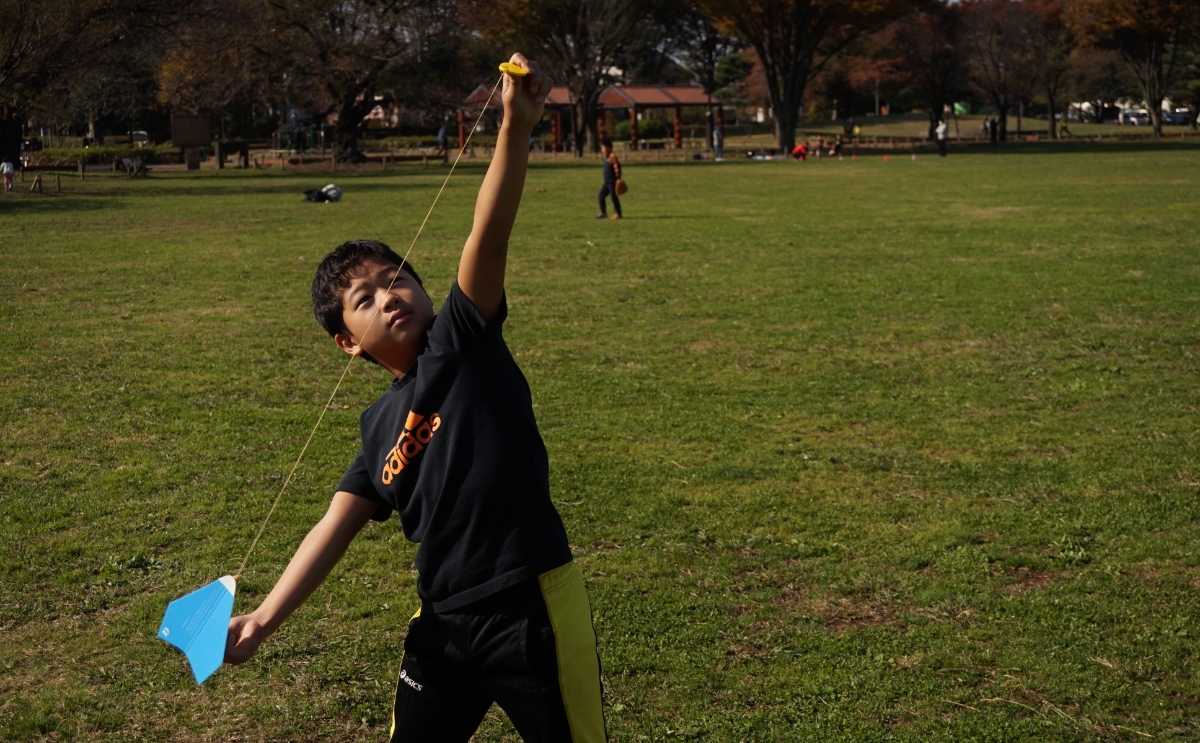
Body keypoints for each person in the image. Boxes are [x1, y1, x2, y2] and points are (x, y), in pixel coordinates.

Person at [224, 54, 606, 743]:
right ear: (348, 343)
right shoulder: (376, 429)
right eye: (363, 299)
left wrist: (514, 130)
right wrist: (262, 617)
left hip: (532, 610)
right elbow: (331, 529)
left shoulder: (463, 337)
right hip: (444, 630)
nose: (388, 295)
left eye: (396, 278)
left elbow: (487, 235)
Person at [596, 138, 622, 220]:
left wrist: (618, 178)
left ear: (608, 148)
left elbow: (617, 168)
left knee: (613, 197)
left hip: (613, 181)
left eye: (603, 148)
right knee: (601, 195)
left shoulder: (612, 156)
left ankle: (618, 213)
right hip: (607, 182)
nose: (602, 150)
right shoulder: (607, 157)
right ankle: (603, 212)